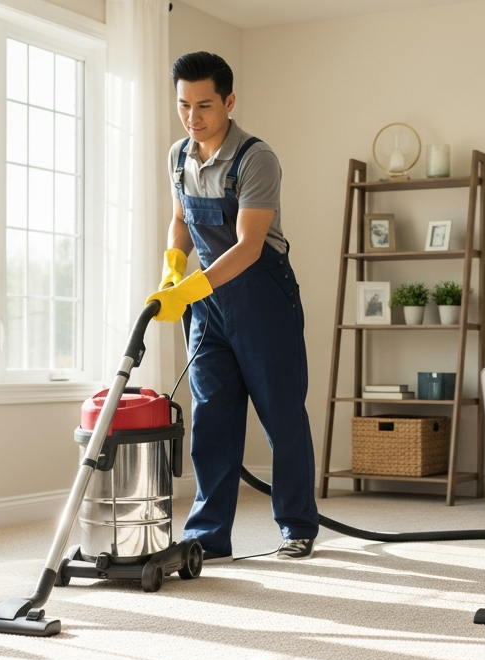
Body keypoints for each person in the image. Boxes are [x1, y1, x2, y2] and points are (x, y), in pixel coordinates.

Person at [146, 51, 319, 561]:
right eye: (183, 106)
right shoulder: (179, 155)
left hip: (262, 295)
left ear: (229, 102)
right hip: (208, 305)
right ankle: (208, 534)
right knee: (213, 415)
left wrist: (190, 289)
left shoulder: (255, 158)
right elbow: (181, 219)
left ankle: (296, 525)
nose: (192, 118)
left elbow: (247, 245)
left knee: (281, 412)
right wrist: (172, 267)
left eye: (203, 106)